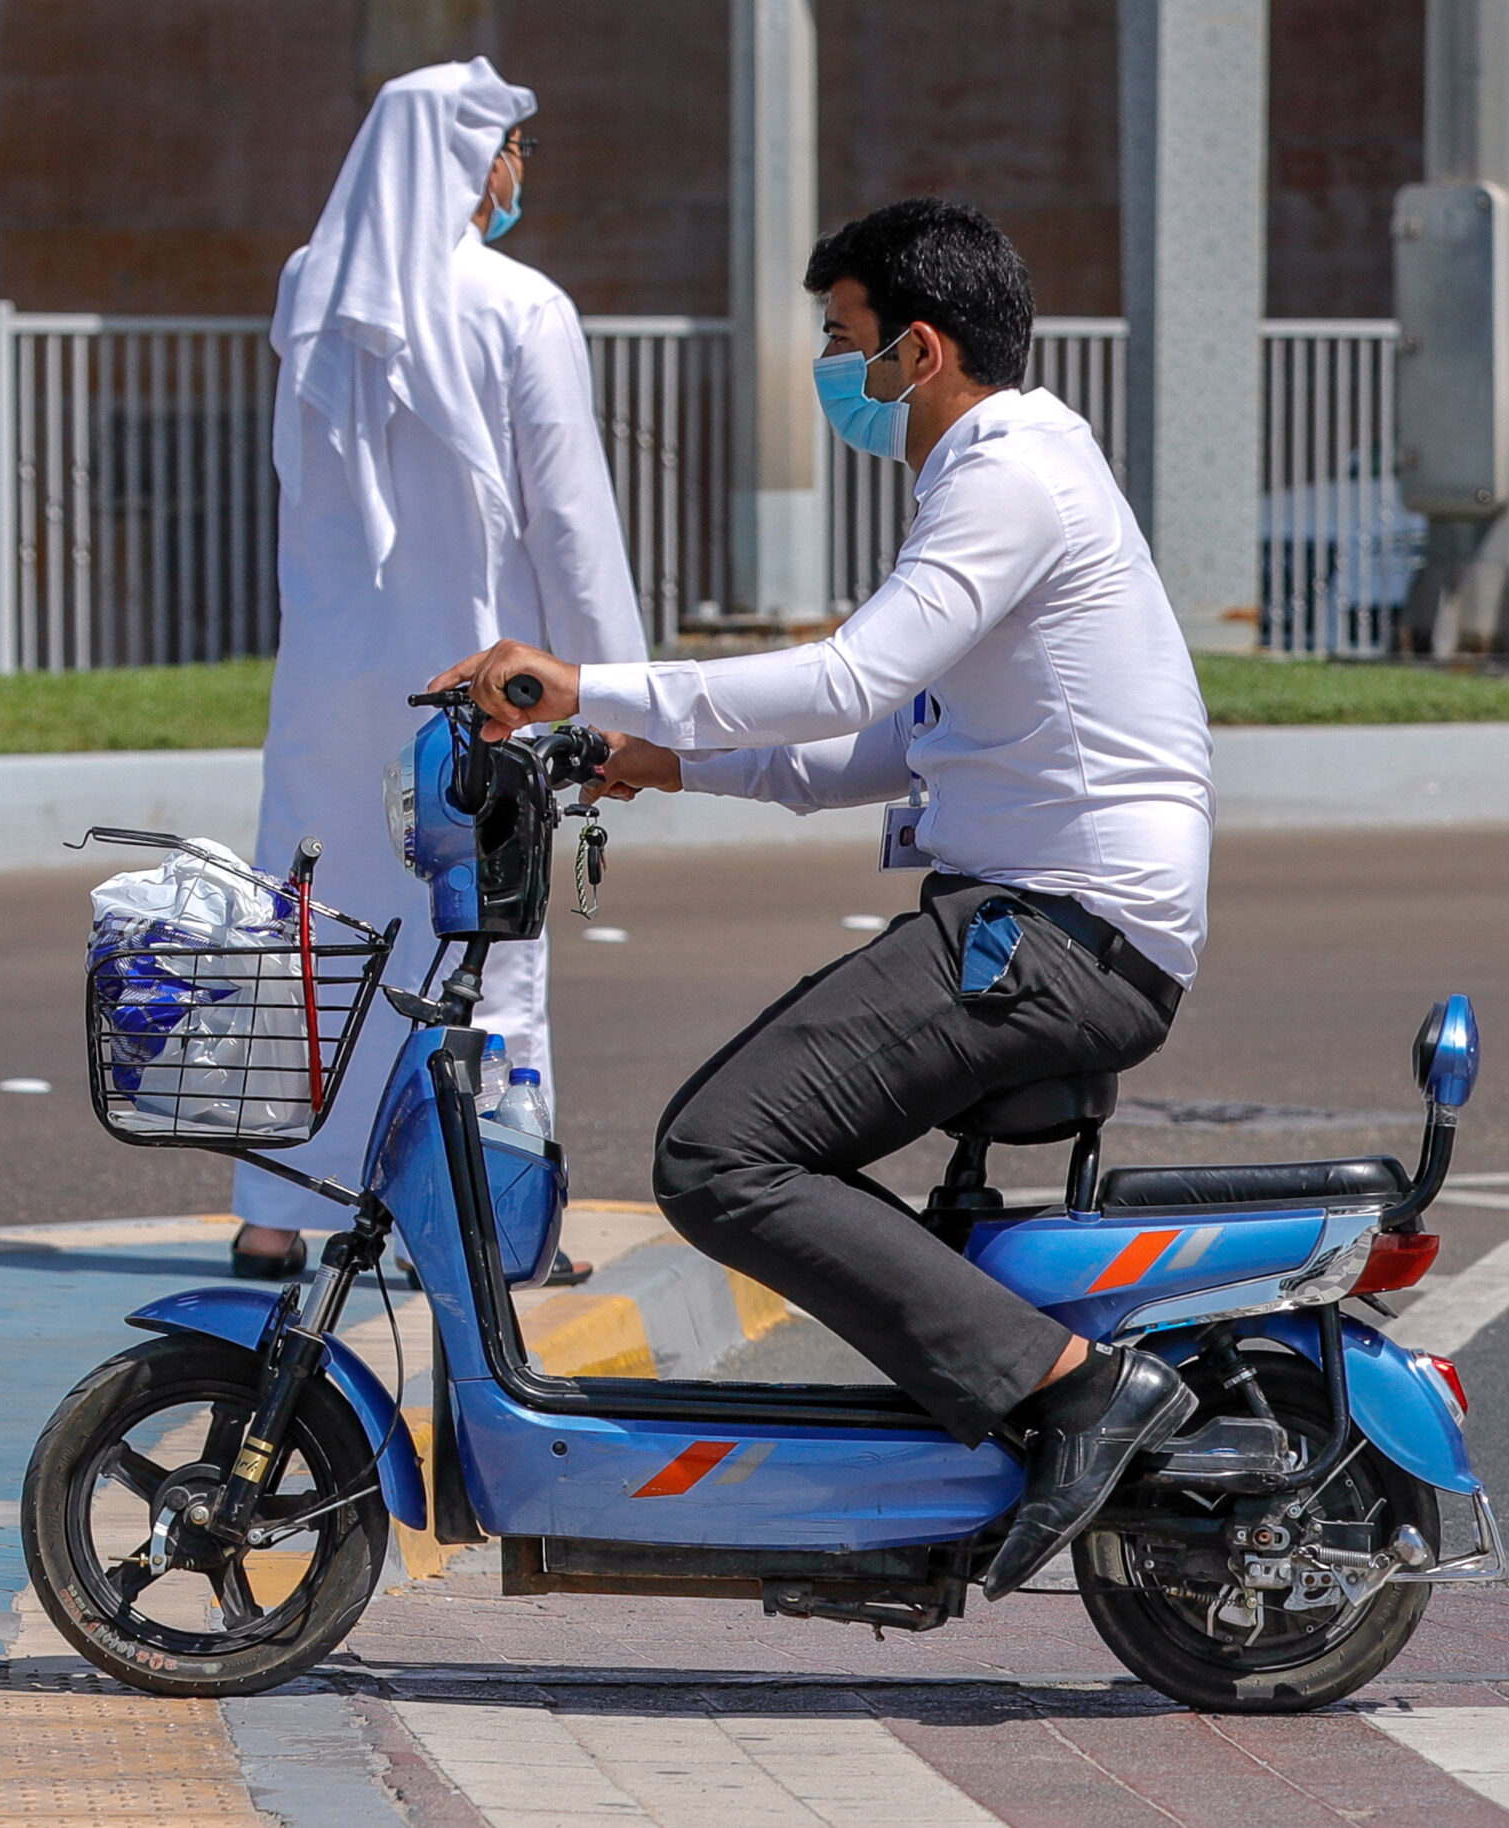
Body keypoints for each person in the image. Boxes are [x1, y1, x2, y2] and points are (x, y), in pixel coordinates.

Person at [424, 198, 1215, 1598]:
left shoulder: (1009, 476)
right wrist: (668, 762)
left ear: (919, 349)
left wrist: (582, 679)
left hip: (1058, 933)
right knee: (740, 1141)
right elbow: (888, 738)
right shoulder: (1006, 465)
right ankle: (1000, 1399)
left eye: (841, 340)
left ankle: (1072, 1389)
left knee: (720, 1154)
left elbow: (850, 677)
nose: (830, 370)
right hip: (1044, 921)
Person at [232, 58, 652, 1279]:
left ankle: (275, 1210)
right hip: (479, 687)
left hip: (326, 683)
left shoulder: (312, 287)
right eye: (511, 148)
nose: (518, 170)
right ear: (473, 162)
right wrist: (617, 695)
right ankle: (475, 1224)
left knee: (314, 932)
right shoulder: (521, 306)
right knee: (485, 944)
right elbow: (570, 525)